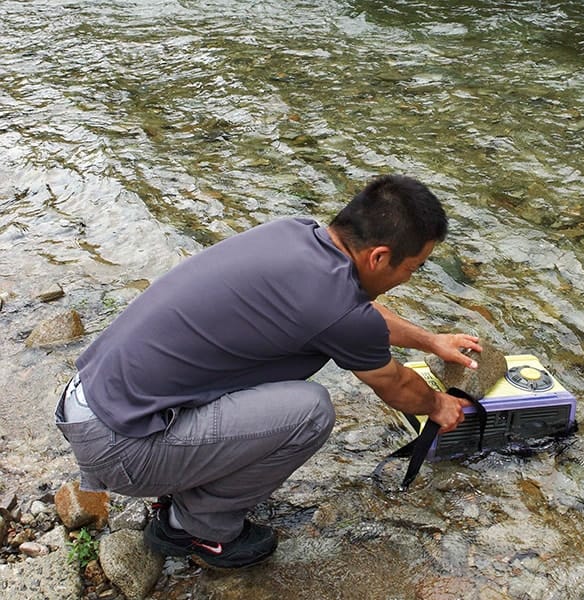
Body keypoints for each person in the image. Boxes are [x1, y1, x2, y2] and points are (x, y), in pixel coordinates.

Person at [54, 174, 482, 569]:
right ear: (380, 256)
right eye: (414, 267)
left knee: (271, 380)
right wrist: (439, 405)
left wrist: (430, 340)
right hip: (119, 446)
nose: (411, 277)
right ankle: (199, 530)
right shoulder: (335, 307)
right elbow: (396, 386)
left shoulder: (294, 233)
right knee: (310, 411)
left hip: (90, 402)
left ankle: (185, 489)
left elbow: (356, 313)